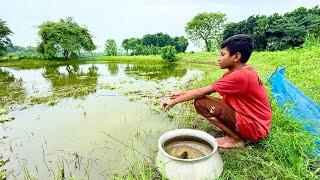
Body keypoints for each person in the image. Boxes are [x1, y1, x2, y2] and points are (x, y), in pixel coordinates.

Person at [163, 34, 272, 148]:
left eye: (222, 54)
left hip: (256, 129)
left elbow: (202, 92)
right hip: (257, 123)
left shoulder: (240, 76)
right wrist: (180, 94)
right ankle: (232, 129)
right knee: (222, 100)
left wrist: (174, 102)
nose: (219, 58)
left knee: (200, 103)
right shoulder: (243, 72)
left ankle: (235, 139)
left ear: (236, 57)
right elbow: (204, 89)